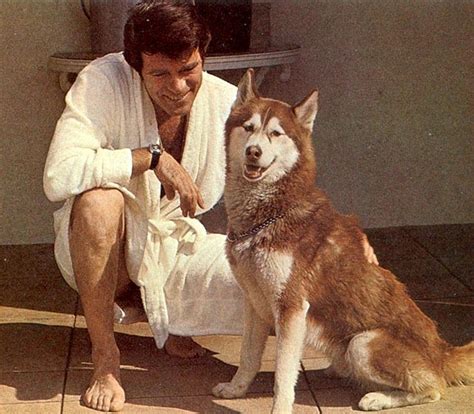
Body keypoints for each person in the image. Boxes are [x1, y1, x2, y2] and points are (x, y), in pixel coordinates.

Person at [44, 0, 378, 411]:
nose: (178, 86)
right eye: (160, 74)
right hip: (99, 248)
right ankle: (106, 359)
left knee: (280, 290)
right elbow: (57, 175)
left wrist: (344, 233)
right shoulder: (102, 81)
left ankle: (171, 320)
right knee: (99, 201)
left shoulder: (226, 102)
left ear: (202, 56)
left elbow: (285, 164)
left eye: (188, 69)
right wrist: (152, 158)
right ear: (136, 67)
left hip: (172, 249)